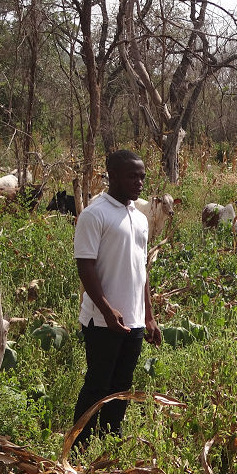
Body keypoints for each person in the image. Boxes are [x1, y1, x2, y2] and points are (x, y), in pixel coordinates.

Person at [72, 149, 162, 448]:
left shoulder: (140, 218)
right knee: (98, 385)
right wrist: (108, 310)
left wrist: (148, 315)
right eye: (132, 176)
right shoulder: (94, 214)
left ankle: (110, 443)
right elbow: (85, 265)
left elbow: (142, 269)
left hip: (133, 321)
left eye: (142, 177)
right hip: (102, 321)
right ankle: (79, 445)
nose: (139, 182)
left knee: (122, 386)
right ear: (112, 176)